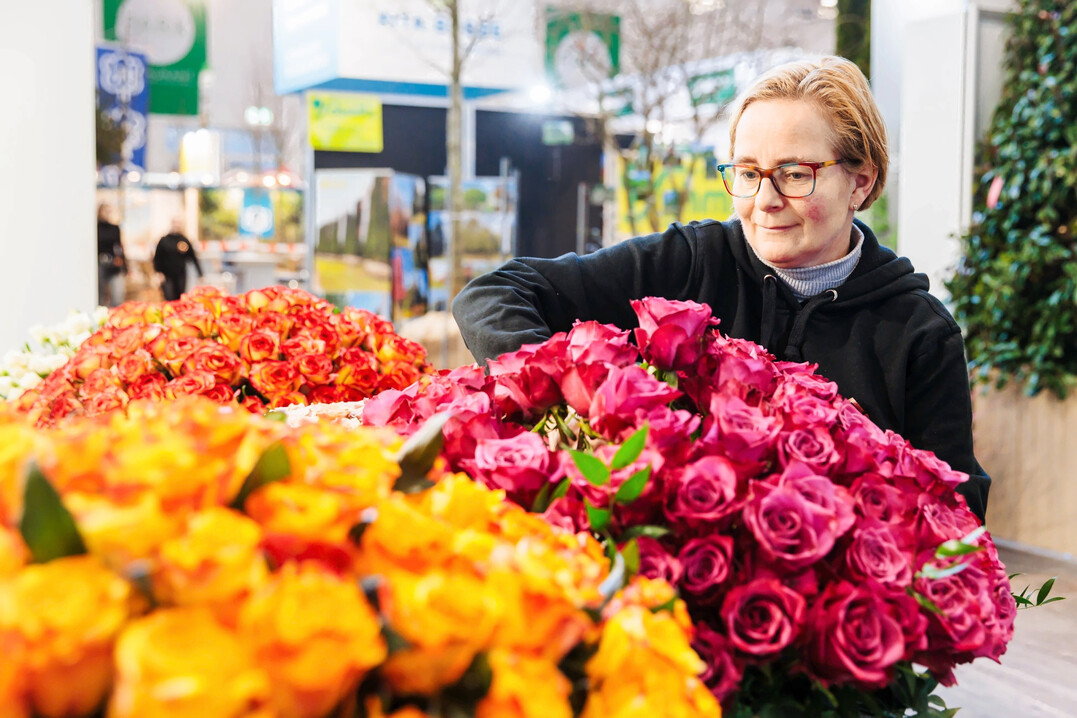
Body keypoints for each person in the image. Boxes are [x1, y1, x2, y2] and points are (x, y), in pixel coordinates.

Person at [452, 56, 990, 522]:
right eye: (749, 172)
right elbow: (495, 293)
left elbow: (957, 512)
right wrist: (571, 394)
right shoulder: (688, 263)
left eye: (795, 173)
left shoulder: (919, 333)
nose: (765, 199)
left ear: (861, 181)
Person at [153, 218, 203, 301]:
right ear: (171, 224)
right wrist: (158, 272)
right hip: (167, 276)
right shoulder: (164, 240)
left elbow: (193, 258)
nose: (177, 225)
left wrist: (200, 274)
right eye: (175, 223)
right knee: (169, 299)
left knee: (180, 298)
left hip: (181, 275)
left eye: (179, 223)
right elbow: (157, 258)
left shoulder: (184, 240)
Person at [96, 204, 127, 306]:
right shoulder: (95, 229)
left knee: (118, 296)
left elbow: (119, 247)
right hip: (100, 264)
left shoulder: (115, 228)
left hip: (114, 265)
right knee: (99, 296)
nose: (108, 213)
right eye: (105, 210)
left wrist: (123, 264)